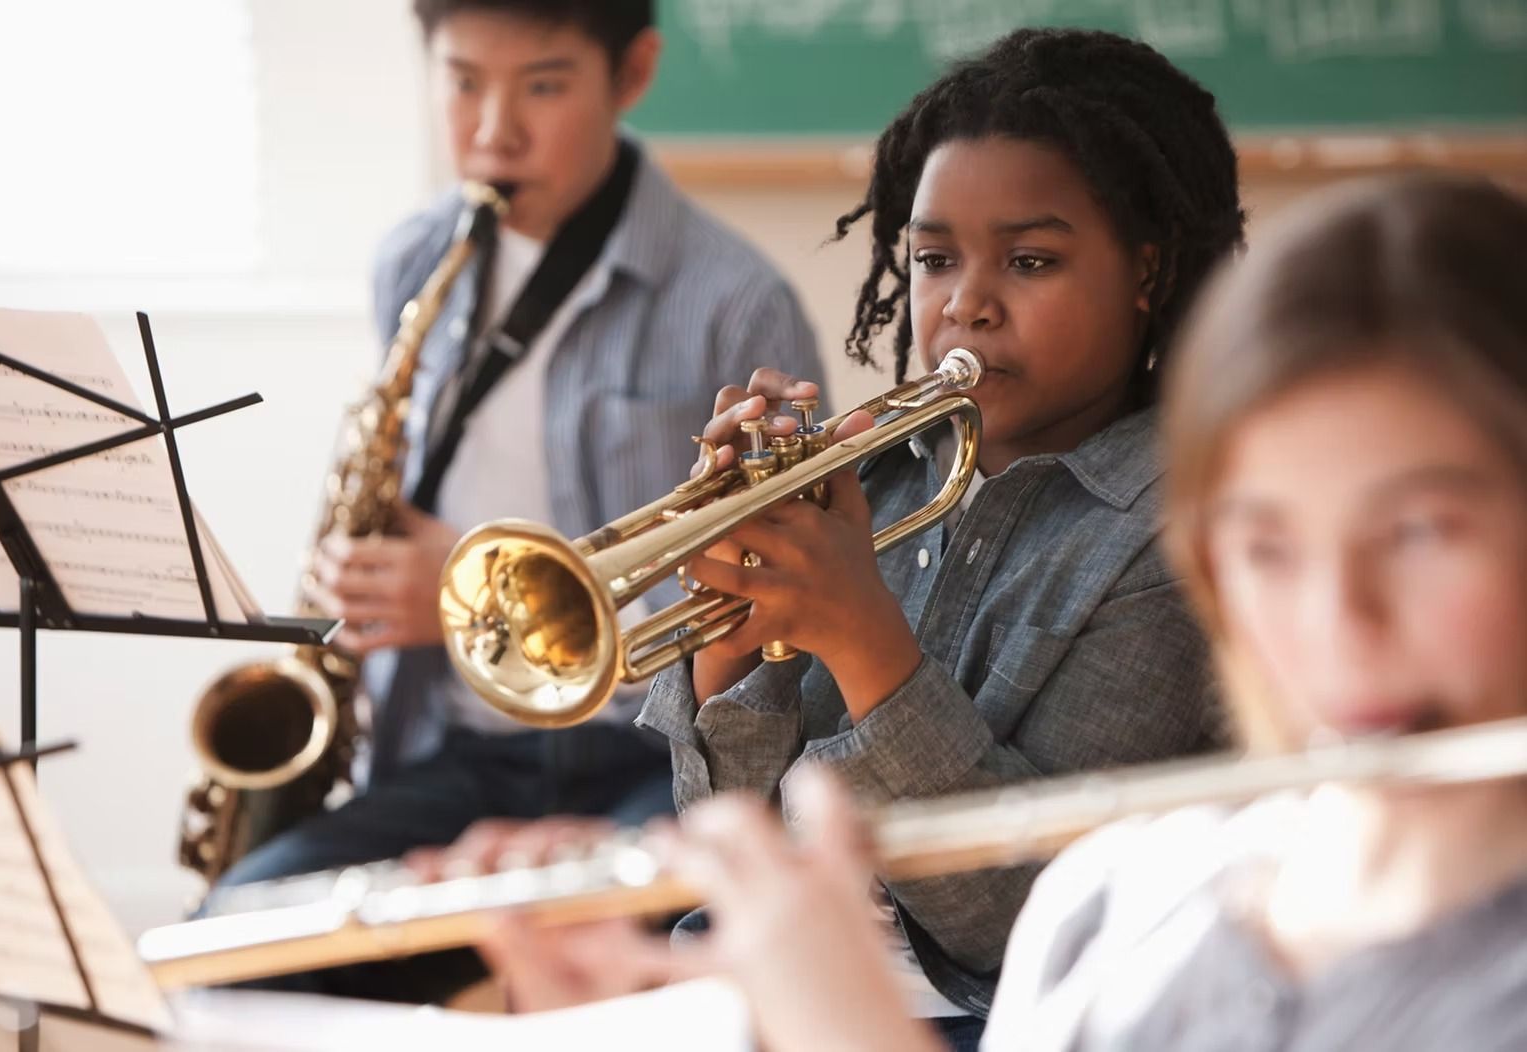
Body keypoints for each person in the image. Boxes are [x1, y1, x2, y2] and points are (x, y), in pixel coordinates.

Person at [483, 173, 1527, 1052]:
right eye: (1267, 547)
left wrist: (839, 1022)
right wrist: (735, 632)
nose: (1338, 621)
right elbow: (731, 803)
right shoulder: (1121, 897)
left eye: (1420, 532)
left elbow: (984, 917)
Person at [430, 26, 1247, 1048]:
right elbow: (725, 828)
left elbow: (1024, 919)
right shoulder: (876, 475)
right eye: (934, 259)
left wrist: (861, 635)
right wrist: (731, 629)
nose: (967, 304)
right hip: (768, 975)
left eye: (1030, 260)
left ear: (1147, 271)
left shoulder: (1187, 528)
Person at [208, 0, 820, 1004]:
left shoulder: (736, 299)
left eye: (542, 85)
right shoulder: (415, 260)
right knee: (231, 945)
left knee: (645, 960)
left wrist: (458, 589)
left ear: (632, 74)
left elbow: (787, 614)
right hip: (461, 753)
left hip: (653, 761)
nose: (494, 128)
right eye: (462, 82)